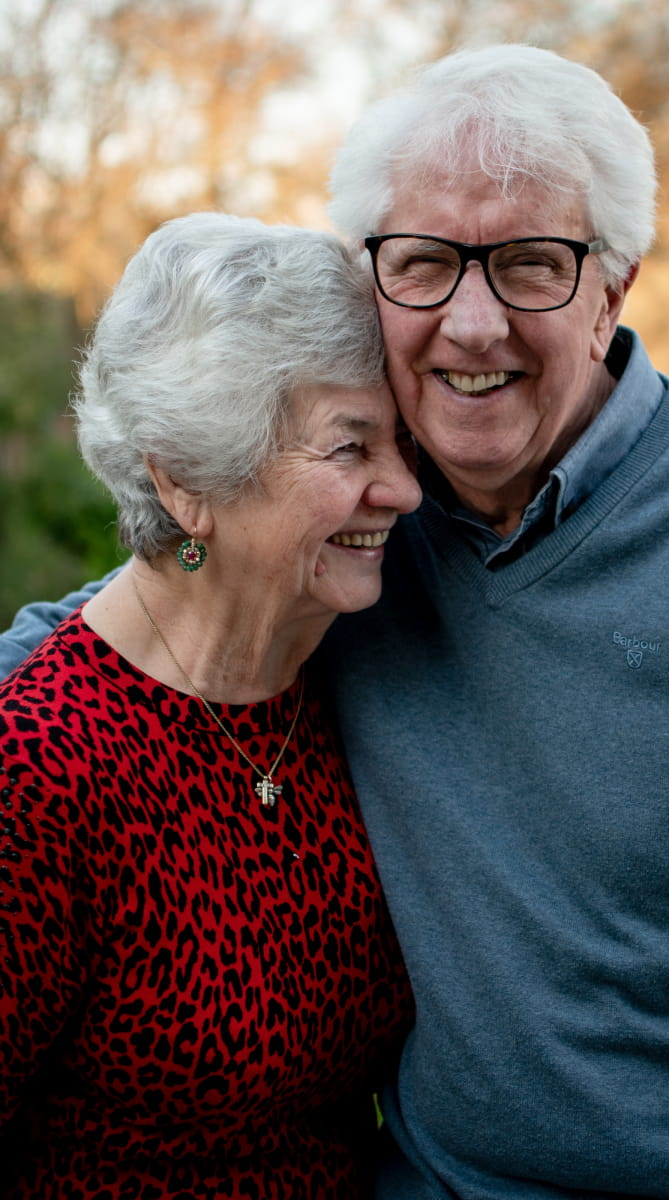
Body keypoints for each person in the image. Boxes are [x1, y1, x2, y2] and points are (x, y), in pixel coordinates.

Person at [3, 42, 669, 1200]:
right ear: (381, 279)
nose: (471, 326)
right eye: (425, 263)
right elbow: (176, 584)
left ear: (613, 287)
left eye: (532, 264)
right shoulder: (362, 537)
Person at [0, 211, 421, 1199]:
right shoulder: (37, 769)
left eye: (397, 442)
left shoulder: (336, 673)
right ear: (186, 482)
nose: (402, 488)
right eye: (349, 448)